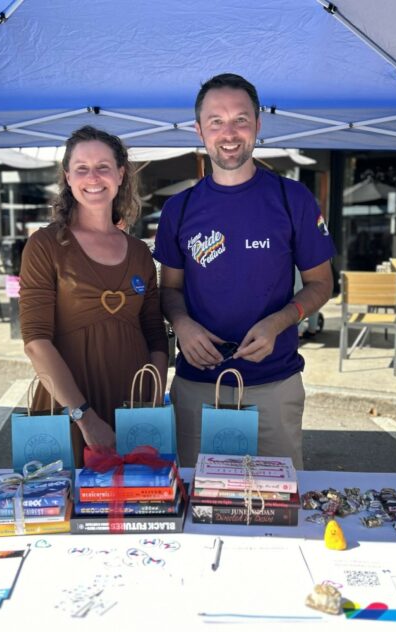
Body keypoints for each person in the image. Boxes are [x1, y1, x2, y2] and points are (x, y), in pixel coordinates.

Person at [154, 73, 335, 469]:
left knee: (279, 509)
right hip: (197, 385)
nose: (229, 132)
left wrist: (280, 322)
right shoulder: (178, 209)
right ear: (199, 129)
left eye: (240, 119)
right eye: (216, 121)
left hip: (274, 383)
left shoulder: (293, 199)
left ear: (258, 125)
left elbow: (322, 284)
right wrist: (182, 325)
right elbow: (169, 291)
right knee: (197, 509)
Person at [20, 126, 168, 460]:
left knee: (142, 503)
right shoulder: (45, 245)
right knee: (70, 508)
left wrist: (152, 403)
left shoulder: (140, 252)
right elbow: (35, 341)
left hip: (134, 405)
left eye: (103, 166)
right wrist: (85, 417)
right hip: (70, 407)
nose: (93, 177)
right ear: (68, 177)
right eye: (82, 168)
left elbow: (156, 337)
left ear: (120, 174)